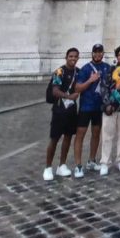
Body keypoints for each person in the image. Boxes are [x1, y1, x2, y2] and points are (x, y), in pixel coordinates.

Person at [73, 43, 111, 178]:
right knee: (80, 135)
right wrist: (90, 80)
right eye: (95, 52)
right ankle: (78, 165)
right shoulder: (85, 69)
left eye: (100, 52)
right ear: (92, 53)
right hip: (86, 106)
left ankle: (92, 160)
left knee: (96, 134)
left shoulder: (107, 68)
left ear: (103, 53)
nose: (98, 54)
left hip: (99, 107)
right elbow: (77, 88)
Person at [43, 47, 79, 181]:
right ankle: (47, 167)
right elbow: (55, 91)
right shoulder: (59, 71)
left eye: (75, 56)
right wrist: (68, 97)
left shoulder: (78, 72)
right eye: (71, 56)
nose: (73, 59)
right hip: (59, 110)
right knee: (54, 139)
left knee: (68, 138)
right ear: (66, 57)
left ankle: (61, 165)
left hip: (71, 111)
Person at [99, 45, 120, 176]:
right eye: (119, 54)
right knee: (107, 134)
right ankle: (105, 162)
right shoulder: (110, 70)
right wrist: (107, 104)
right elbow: (104, 87)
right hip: (110, 108)